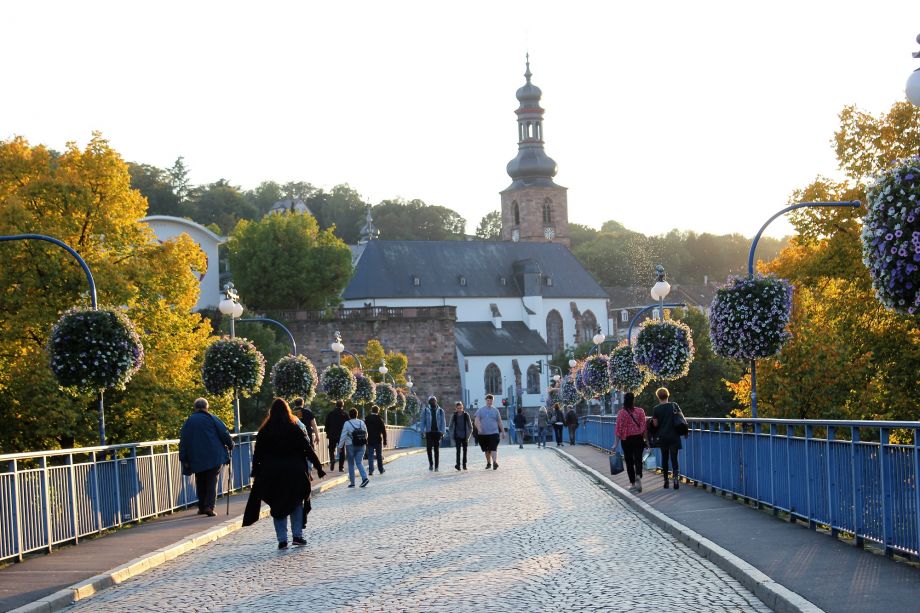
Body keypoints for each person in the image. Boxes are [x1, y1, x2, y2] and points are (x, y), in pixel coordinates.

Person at [245, 398, 325, 549]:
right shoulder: (294, 428)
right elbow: (307, 448)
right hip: (295, 471)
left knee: (277, 505)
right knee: (296, 501)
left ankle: (282, 540)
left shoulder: (264, 430)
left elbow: (258, 453)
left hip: (272, 472)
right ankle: (297, 536)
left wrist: (255, 471)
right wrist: (318, 467)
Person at [179, 398, 233, 517]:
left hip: (196, 457)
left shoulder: (189, 421)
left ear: (195, 408)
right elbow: (224, 433)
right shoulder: (212, 418)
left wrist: (184, 458)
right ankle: (209, 506)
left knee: (200, 481)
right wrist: (230, 445)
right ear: (206, 407)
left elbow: (183, 440)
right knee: (211, 481)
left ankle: (202, 507)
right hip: (214, 456)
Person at [613, 392, 648, 492]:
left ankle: (632, 483)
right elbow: (644, 428)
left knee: (629, 461)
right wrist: (646, 441)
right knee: (638, 459)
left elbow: (618, 429)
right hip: (638, 438)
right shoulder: (640, 411)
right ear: (633, 400)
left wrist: (615, 444)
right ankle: (638, 475)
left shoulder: (621, 413)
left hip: (626, 440)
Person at [652, 387, 685, 490]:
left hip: (662, 437)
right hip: (674, 436)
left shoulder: (656, 409)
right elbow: (681, 418)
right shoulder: (674, 405)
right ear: (668, 395)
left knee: (664, 458)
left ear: (658, 397)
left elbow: (655, 424)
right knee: (674, 459)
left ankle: (666, 481)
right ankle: (675, 480)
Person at [337, 408, 370, 488]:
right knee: (359, 462)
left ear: (349, 415)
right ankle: (364, 478)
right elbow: (366, 434)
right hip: (361, 445)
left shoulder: (347, 423)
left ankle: (352, 483)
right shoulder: (361, 422)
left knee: (351, 464)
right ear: (357, 415)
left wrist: (340, 446)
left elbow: (343, 435)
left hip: (350, 445)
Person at [475, 394, 505, 470]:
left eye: (491, 401)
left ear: (492, 401)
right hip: (483, 434)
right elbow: (476, 420)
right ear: (486, 401)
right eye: (488, 400)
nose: (489, 402)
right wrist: (479, 428)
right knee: (487, 450)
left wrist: (503, 432)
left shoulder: (495, 411)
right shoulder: (480, 410)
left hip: (494, 433)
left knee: (493, 448)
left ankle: (494, 462)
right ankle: (488, 462)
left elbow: (499, 421)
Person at [292, 397, 320, 472]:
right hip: (307, 436)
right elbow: (314, 425)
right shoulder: (308, 412)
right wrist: (317, 436)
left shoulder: (291, 413)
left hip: (295, 438)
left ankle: (300, 471)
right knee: (310, 453)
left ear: (295, 403)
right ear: (303, 403)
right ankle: (308, 472)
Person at [421, 396, 446, 471]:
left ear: (436, 401)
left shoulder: (441, 411)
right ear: (429, 402)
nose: (433, 402)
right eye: (431, 400)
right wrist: (423, 431)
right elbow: (423, 421)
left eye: (434, 400)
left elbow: (443, 422)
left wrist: (443, 431)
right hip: (429, 432)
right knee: (428, 449)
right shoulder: (425, 410)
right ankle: (431, 464)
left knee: (436, 450)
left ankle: (436, 466)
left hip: (437, 432)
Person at [324, 400, 348, 472]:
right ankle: (341, 467)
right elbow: (348, 424)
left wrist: (327, 432)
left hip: (332, 434)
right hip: (341, 435)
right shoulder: (345, 414)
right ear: (342, 405)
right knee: (342, 450)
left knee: (331, 449)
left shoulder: (330, 413)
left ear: (336, 405)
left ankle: (332, 459)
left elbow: (326, 424)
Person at [365, 404, 387, 475]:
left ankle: (371, 470)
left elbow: (364, 429)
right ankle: (381, 469)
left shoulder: (367, 418)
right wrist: (385, 441)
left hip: (370, 439)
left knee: (370, 456)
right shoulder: (380, 419)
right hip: (378, 439)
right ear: (378, 411)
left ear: (371, 410)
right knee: (379, 455)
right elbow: (383, 431)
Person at [451, 401, 473, 470]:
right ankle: (458, 465)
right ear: (456, 408)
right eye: (458, 408)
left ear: (462, 408)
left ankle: (464, 465)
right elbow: (450, 426)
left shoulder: (466, 415)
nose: (459, 409)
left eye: (461, 408)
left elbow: (470, 426)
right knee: (458, 451)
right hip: (457, 436)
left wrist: (468, 435)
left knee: (465, 451)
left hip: (465, 436)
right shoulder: (454, 416)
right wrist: (452, 435)